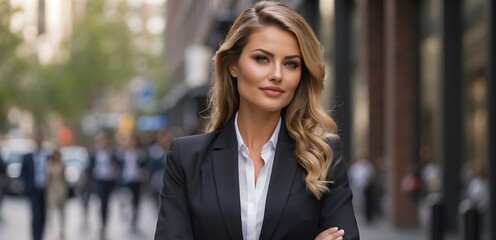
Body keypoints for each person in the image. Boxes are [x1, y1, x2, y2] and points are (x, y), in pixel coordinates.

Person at [154, 2, 359, 240]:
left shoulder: (323, 156)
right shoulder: (187, 158)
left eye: (291, 64)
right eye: (262, 59)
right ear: (233, 65)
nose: (277, 74)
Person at [87, 132, 120, 238]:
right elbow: (90, 167)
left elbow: (118, 165)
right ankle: (101, 223)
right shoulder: (95, 153)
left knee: (106, 203)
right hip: (99, 181)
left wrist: (113, 171)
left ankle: (104, 224)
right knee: (102, 202)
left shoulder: (112, 153)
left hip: (109, 182)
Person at [21, 131, 50, 240]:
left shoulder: (48, 156)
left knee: (43, 215)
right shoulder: (28, 156)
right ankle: (35, 237)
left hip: (45, 190)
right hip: (33, 190)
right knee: (36, 214)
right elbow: (23, 173)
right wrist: (24, 185)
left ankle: (41, 236)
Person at [120, 133, 148, 229]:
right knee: (125, 197)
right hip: (127, 179)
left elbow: (145, 166)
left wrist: (143, 173)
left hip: (137, 179)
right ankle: (126, 213)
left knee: (136, 200)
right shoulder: (125, 153)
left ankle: (134, 219)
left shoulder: (141, 153)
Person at [46, 148, 68, 239]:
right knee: (51, 210)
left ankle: (61, 229)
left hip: (61, 188)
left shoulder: (62, 165)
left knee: (62, 211)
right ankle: (51, 228)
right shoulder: (49, 165)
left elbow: (64, 178)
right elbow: (48, 178)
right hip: (52, 189)